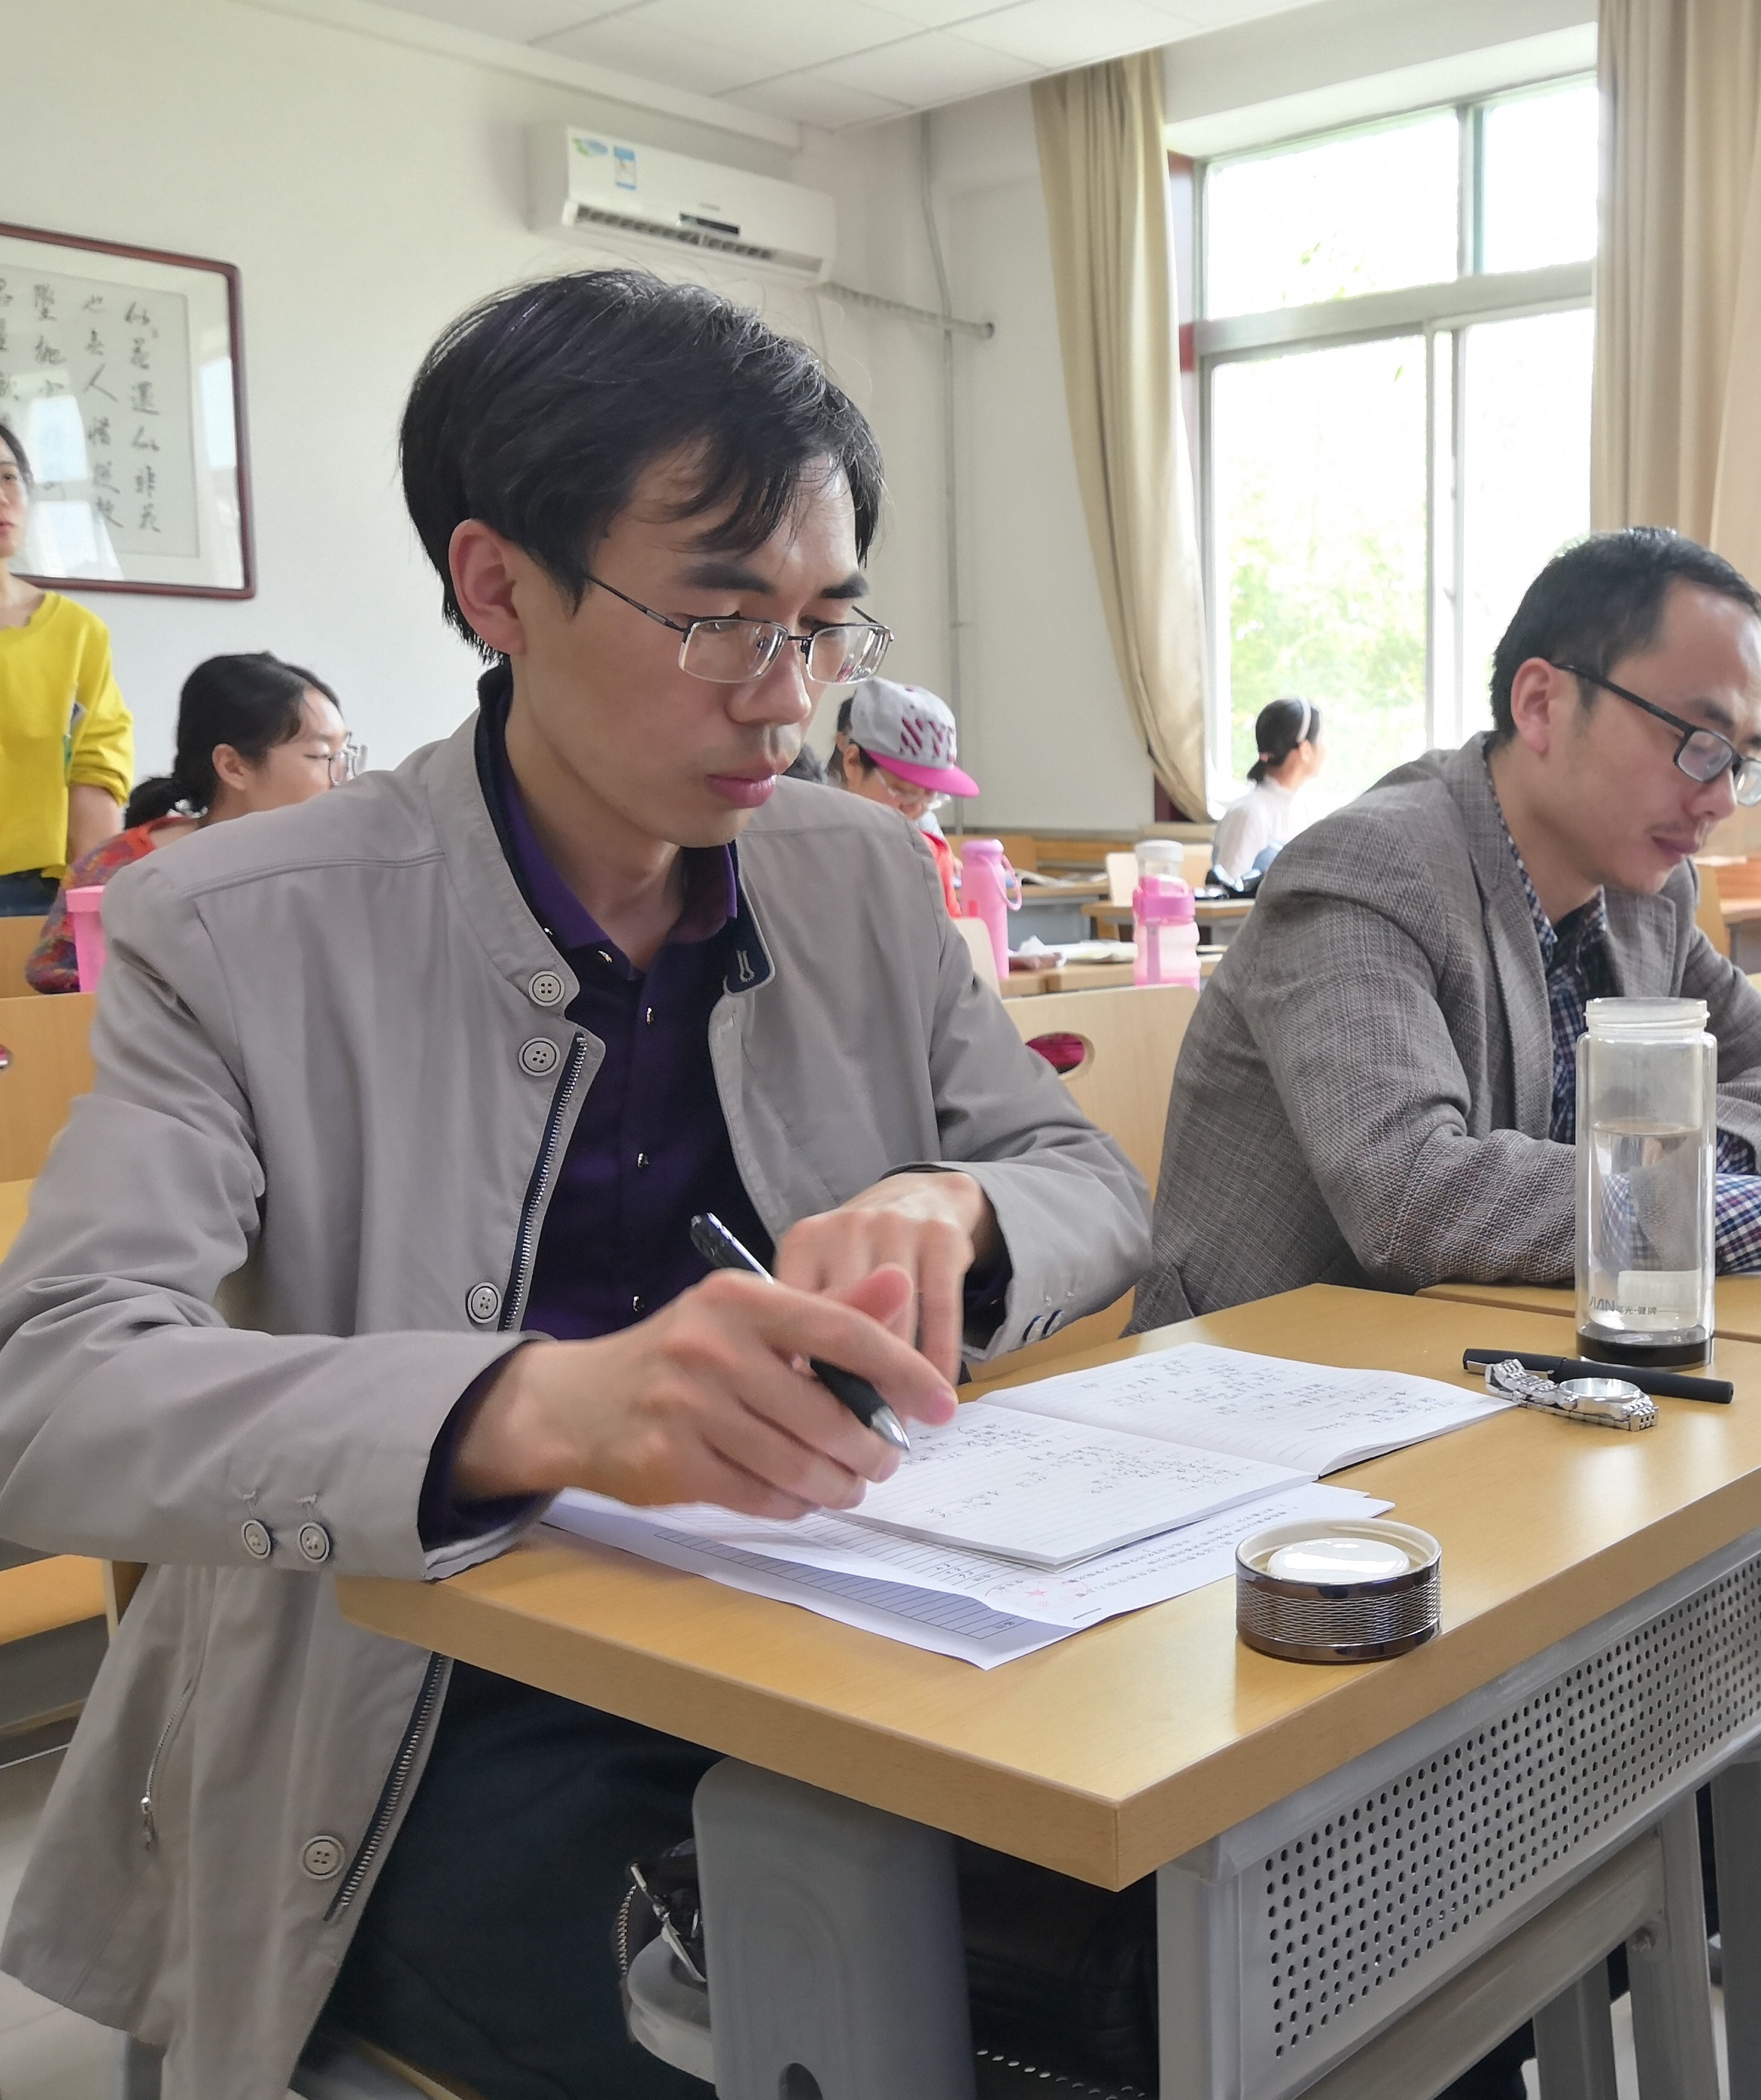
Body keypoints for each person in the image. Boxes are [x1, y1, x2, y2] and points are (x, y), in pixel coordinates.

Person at [0, 269, 1150, 2098]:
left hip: (849, 1635)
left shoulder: (855, 876)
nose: (784, 701)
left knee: (1223, 1938)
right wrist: (531, 1405)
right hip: (426, 1704)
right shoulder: (235, 926)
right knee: (798, 2032)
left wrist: (959, 1206)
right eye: (718, 619)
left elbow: (1081, 1172)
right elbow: (50, 1388)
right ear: (497, 585)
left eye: (820, 628)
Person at [1135, 529, 1761, 2100]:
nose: (1719, 791)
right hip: (1281, 1505)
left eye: (1744, 757)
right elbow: (1414, 1193)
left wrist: (1688, 1170)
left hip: (1510, 1435)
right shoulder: (1369, 872)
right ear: (1541, 702)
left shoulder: (1642, 900)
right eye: (1694, 740)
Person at [25, 652, 351, 990]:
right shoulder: (117, 869)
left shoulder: (342, 864)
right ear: (233, 766)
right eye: (322, 756)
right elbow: (56, 979)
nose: (342, 778)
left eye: (345, 754)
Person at [0, 419, 133, 915]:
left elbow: (95, 768)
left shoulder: (75, 633)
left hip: (33, 893)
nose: (2, 497)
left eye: (8, 477)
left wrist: (93, 906)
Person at [831, 674, 982, 913]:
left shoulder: (930, 857)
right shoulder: (816, 850)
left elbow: (948, 933)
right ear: (853, 763)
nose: (916, 809)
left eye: (931, 797)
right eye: (903, 791)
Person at [1211, 695, 1324, 884]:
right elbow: (1228, 892)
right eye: (1322, 739)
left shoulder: (1305, 809)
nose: (1326, 748)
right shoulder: (1249, 813)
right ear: (1305, 749)